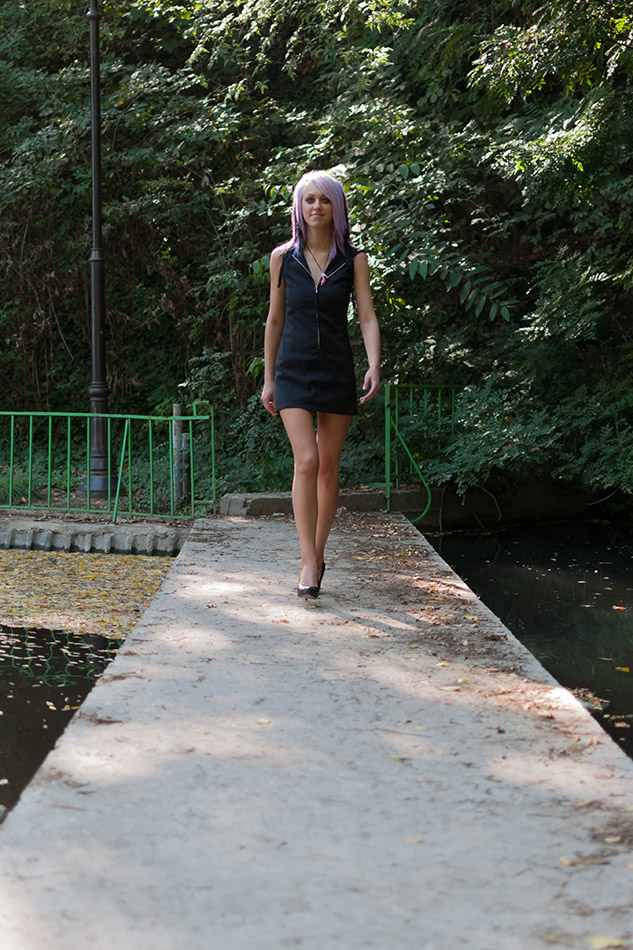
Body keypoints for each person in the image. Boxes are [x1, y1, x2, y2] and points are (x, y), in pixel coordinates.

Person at [261, 170, 381, 599]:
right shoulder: (282, 258)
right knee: (307, 460)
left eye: (325, 200)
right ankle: (308, 560)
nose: (317, 207)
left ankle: (319, 552)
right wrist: (268, 378)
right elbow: (275, 319)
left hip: (335, 369)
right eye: (309, 199)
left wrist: (374, 364)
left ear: (337, 207)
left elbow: (366, 315)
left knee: (328, 467)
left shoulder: (354, 260)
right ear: (299, 207)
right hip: (292, 370)